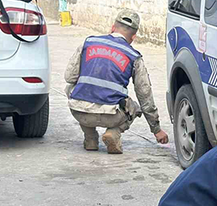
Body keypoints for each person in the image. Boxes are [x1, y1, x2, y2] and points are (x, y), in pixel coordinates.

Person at [64, 10, 169, 154]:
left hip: (81, 112)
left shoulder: (88, 43)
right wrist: (156, 129)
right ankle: (114, 132)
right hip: (111, 116)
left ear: (113, 28)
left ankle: (90, 138)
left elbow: (69, 77)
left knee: (71, 87)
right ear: (133, 37)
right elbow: (145, 96)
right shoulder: (134, 56)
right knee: (136, 107)